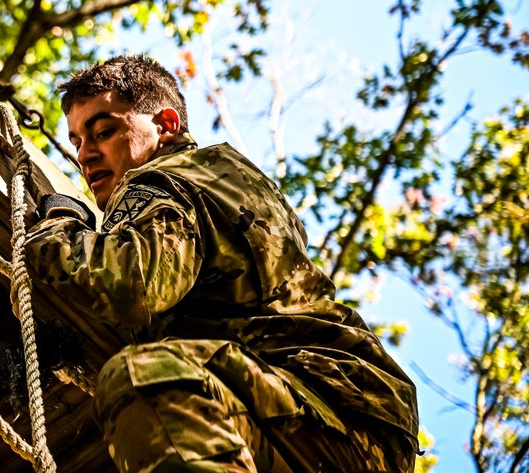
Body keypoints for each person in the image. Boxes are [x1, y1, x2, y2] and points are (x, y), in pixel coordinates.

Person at [25, 55, 420, 473]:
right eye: (76, 143)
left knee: (142, 378)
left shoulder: (164, 179)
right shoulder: (231, 178)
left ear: (166, 125)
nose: (86, 154)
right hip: (348, 421)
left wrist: (59, 224)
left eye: (103, 132)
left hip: (320, 406)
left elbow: (130, 280)